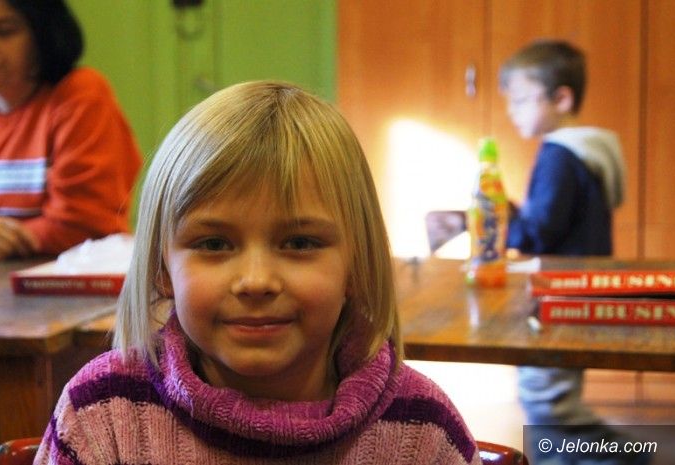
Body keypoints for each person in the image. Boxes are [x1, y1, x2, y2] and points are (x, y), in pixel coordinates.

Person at [34, 81, 482, 464]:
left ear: (357, 265)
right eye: (214, 244)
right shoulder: (102, 412)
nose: (256, 281)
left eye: (300, 243)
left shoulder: (423, 430)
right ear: (161, 269)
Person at [500, 41, 648, 465]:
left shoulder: (559, 154)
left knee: (546, 401)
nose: (512, 111)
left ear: (561, 98)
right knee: (554, 398)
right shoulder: (585, 151)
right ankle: (623, 456)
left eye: (521, 100)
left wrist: (502, 218)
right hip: (579, 287)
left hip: (561, 294)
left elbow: (540, 233)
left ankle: (622, 456)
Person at [0, 0, 142, 260]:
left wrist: (2, 238)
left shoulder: (80, 94)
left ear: (43, 36)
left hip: (77, 276)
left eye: (4, 31)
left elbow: (86, 224)